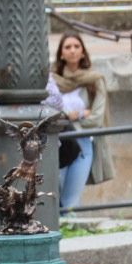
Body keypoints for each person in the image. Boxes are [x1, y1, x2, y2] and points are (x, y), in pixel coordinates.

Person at [52, 35, 112, 210]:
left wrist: (70, 118)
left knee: (71, 200)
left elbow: (96, 118)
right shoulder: (52, 81)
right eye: (68, 47)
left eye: (77, 46)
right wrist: (77, 115)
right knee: (55, 197)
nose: (72, 50)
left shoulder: (94, 79)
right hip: (58, 143)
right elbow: (49, 112)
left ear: (83, 52)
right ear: (61, 54)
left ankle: (70, 234)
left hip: (83, 143)